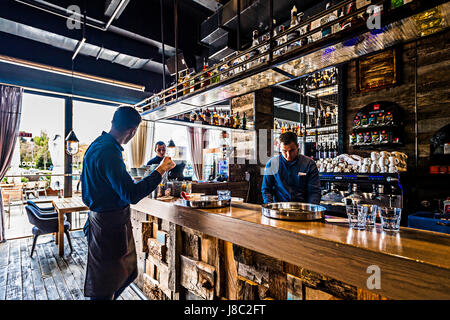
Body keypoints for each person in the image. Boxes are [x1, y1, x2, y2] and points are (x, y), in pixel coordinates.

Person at [80, 106, 175, 300]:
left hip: (101, 221)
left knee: (121, 276)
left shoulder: (96, 145)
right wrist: (160, 170)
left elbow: (108, 185)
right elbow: (131, 195)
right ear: (133, 131)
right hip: (109, 226)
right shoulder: (110, 153)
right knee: (105, 287)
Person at [261, 131, 321, 204]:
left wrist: (311, 210)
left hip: (303, 209)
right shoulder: (272, 164)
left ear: (297, 146)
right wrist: (269, 206)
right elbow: (266, 189)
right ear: (280, 148)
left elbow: (314, 192)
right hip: (279, 209)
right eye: (284, 151)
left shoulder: (309, 164)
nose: (288, 155)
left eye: (292, 150)